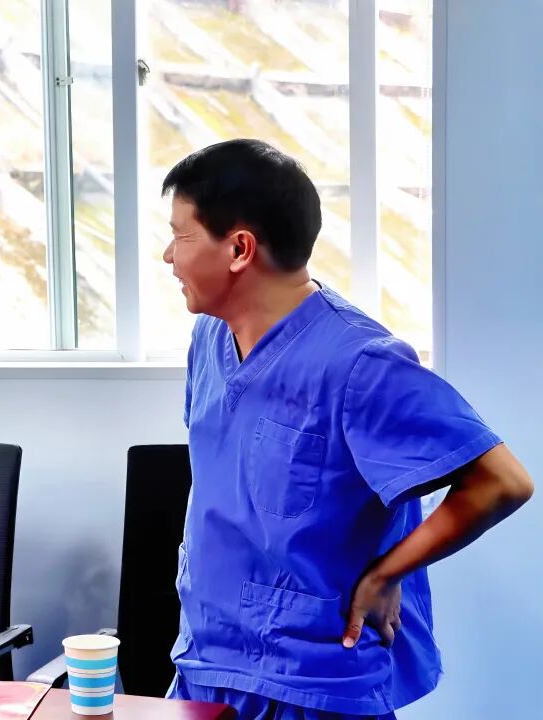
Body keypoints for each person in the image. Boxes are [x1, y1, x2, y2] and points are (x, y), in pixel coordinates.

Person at [161, 139, 533, 718]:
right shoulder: (209, 337)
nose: (168, 255)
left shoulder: (361, 364)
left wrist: (388, 574)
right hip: (205, 662)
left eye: (180, 236)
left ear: (239, 248)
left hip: (311, 682)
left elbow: (503, 481)